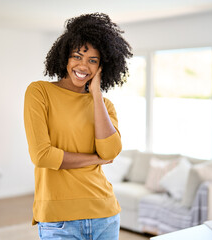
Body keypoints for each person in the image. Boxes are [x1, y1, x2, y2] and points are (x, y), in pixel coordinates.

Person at [24, 12, 132, 240]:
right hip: (59, 219)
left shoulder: (104, 105)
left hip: (105, 214)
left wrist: (95, 94)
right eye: (77, 56)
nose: (84, 65)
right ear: (64, 57)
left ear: (102, 66)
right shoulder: (40, 92)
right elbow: (42, 156)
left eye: (93, 60)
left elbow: (110, 152)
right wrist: (95, 159)